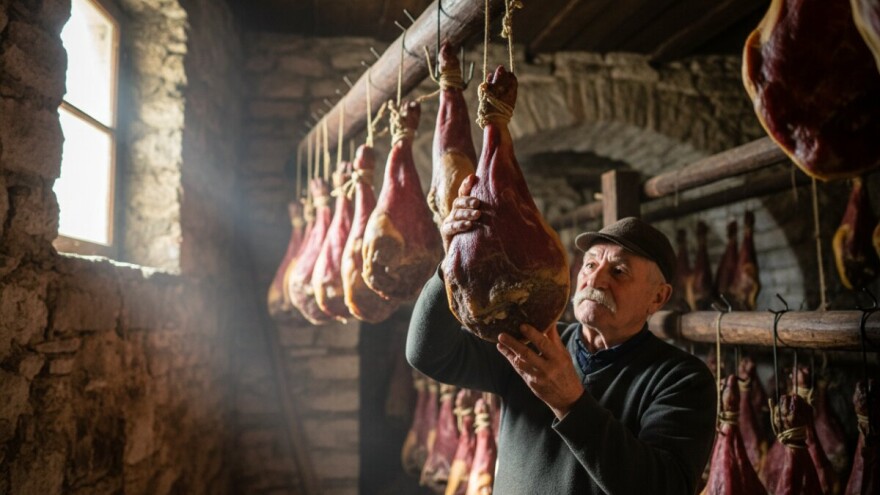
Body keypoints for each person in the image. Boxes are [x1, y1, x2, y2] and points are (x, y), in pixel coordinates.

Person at [406, 182, 717, 494]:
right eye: (591, 263)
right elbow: (428, 353)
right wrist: (452, 263)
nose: (595, 279)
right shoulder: (529, 340)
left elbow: (664, 488)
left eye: (619, 271)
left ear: (658, 298)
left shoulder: (682, 379)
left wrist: (571, 403)